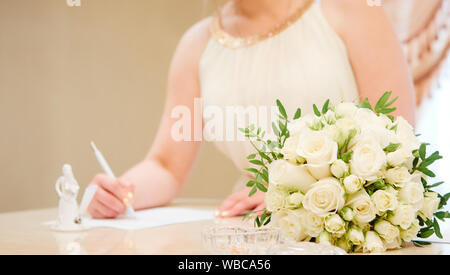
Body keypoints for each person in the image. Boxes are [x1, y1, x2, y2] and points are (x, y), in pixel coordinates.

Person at [87, 0, 416, 219]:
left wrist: (294, 195)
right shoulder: (198, 44)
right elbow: (165, 166)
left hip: (348, 226)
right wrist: (120, 193)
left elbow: (398, 141)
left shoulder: (351, 10)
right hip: (249, 231)